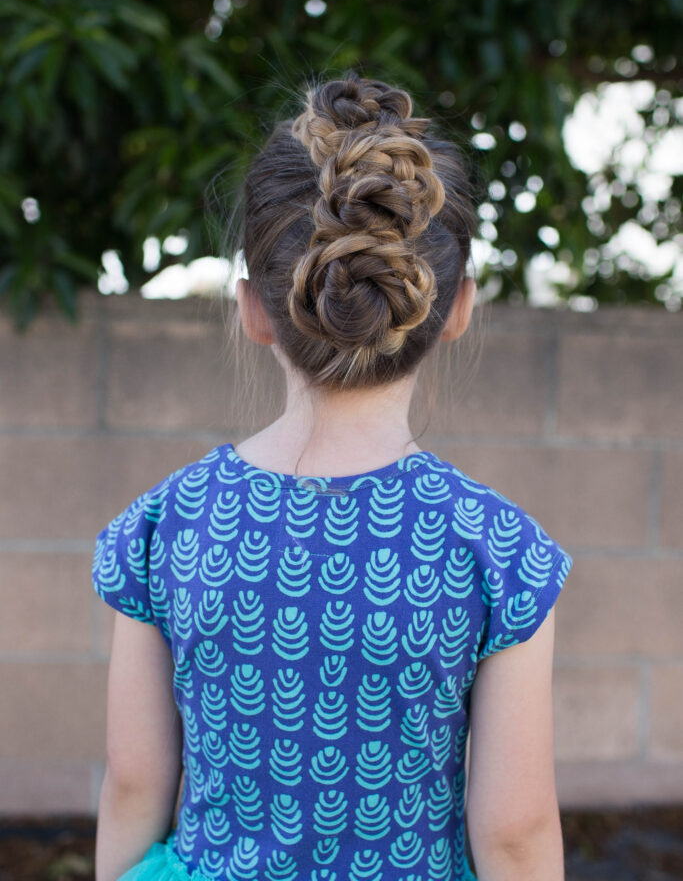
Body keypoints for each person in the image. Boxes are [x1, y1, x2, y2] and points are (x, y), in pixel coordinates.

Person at [92, 72, 572, 881]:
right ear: (455, 310)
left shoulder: (160, 527)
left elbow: (135, 785)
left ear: (250, 308)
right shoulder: (498, 551)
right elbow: (516, 834)